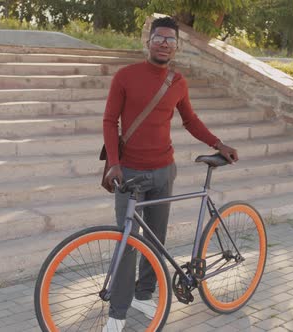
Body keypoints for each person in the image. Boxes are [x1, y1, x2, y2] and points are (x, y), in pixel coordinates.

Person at [102, 16, 239, 332]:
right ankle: (118, 312)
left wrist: (218, 143)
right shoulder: (125, 76)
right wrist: (113, 162)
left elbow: (190, 121)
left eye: (171, 40)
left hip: (164, 170)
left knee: (155, 239)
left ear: (176, 47)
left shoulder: (178, 82)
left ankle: (143, 294)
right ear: (148, 41)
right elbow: (110, 122)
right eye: (159, 37)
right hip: (130, 173)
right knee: (127, 242)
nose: (164, 43)